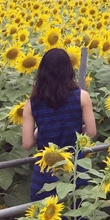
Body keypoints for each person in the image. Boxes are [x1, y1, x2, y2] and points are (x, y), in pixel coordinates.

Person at [22, 48, 97, 201]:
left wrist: (40, 131)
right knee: (76, 216)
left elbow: (27, 143)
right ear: (69, 70)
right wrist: (74, 130)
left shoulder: (32, 103)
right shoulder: (82, 97)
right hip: (75, 165)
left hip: (46, 169)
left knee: (44, 217)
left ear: (41, 72)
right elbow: (91, 132)